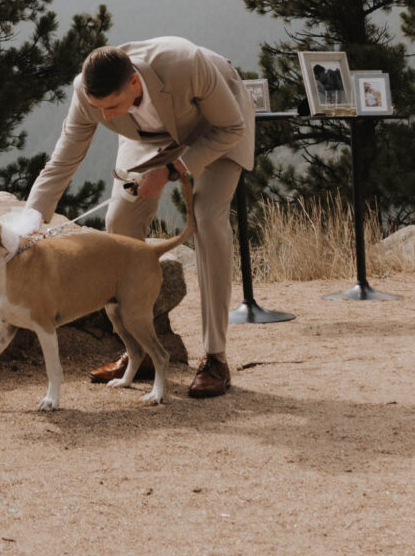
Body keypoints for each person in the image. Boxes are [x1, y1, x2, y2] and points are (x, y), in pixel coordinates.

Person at [26, 39, 255, 399]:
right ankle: (139, 351)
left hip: (215, 127)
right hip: (146, 137)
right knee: (119, 222)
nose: (106, 118)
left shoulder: (187, 64)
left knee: (207, 218)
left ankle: (215, 358)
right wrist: (29, 223)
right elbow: (62, 162)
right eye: (99, 109)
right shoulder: (92, 95)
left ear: (134, 81)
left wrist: (173, 169)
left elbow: (231, 128)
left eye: (112, 106)